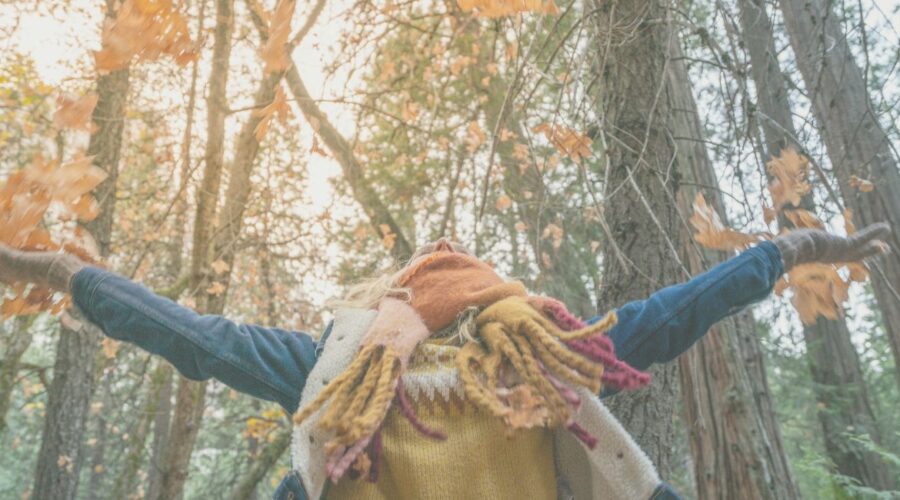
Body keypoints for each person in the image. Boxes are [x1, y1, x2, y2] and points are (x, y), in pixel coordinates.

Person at [0, 223, 891, 500]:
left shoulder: (533, 363)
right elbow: (195, 339)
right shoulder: (344, 369)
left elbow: (196, 340)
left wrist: (797, 249)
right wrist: (65, 274)